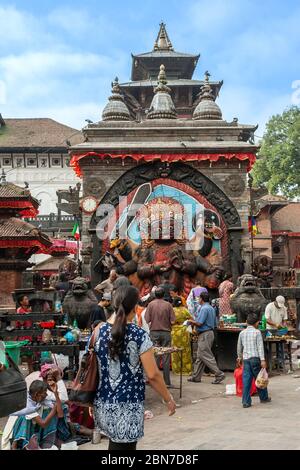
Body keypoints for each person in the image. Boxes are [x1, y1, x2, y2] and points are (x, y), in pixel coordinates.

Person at [92, 285, 176, 450]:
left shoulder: (98, 331)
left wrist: (90, 401)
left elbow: (94, 368)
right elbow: (152, 375)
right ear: (135, 307)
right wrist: (168, 398)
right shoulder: (139, 335)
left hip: (103, 402)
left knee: (114, 445)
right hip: (128, 405)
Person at [2, 379, 70, 450]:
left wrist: (56, 393)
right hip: (16, 430)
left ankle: (44, 440)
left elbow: (60, 414)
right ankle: (15, 445)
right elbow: (43, 424)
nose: (46, 395)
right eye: (45, 393)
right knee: (25, 418)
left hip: (32, 428)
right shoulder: (27, 405)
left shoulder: (38, 398)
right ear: (37, 394)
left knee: (53, 409)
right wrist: (54, 409)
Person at [188, 292, 225, 384]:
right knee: (200, 356)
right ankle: (196, 377)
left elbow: (200, 323)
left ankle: (219, 374)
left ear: (201, 299)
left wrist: (190, 321)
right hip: (209, 333)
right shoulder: (211, 308)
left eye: (199, 298)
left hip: (205, 334)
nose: (198, 300)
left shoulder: (204, 308)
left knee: (206, 355)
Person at [237, 313, 271, 408]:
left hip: (246, 360)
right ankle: (264, 398)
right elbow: (260, 347)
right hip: (255, 359)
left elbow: (239, 347)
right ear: (257, 323)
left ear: (246, 322)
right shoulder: (257, 332)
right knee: (260, 379)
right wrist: (263, 360)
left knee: (246, 381)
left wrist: (239, 357)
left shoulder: (242, 333)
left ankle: (246, 402)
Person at [144, 287, 176, 386]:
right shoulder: (168, 305)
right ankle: (167, 382)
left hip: (154, 332)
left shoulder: (151, 304)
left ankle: (155, 381)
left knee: (155, 357)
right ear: (163, 295)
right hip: (166, 333)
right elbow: (173, 321)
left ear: (155, 295)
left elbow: (146, 319)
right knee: (166, 357)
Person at [171, 297, 193, 375]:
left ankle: (176, 370)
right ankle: (186, 370)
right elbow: (191, 319)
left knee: (175, 351)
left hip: (174, 332)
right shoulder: (185, 310)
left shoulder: (172, 310)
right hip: (184, 332)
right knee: (185, 351)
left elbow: (170, 321)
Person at [16, 295, 33, 373]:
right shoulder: (19, 310)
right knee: (22, 354)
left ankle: (31, 371)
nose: (27, 300)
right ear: (21, 302)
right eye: (25, 299)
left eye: (27, 298)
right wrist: (27, 313)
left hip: (28, 335)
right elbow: (21, 322)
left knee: (30, 355)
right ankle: (18, 371)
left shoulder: (27, 310)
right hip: (22, 335)